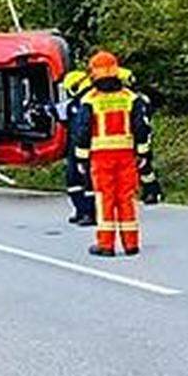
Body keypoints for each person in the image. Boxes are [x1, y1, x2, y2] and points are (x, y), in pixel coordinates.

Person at [74, 51, 151, 257]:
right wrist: (143, 153)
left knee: (105, 199)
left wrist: (81, 157)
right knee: (126, 198)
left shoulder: (90, 100)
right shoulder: (130, 98)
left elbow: (82, 131)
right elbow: (141, 128)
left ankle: (106, 245)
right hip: (126, 154)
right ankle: (131, 244)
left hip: (101, 156)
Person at [120, 67, 163, 205]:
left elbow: (142, 124)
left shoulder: (136, 100)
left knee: (144, 165)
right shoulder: (124, 98)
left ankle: (152, 191)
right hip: (125, 137)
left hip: (140, 136)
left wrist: (143, 148)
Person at [61, 70, 96, 226]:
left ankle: (90, 213)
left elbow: (84, 128)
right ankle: (81, 210)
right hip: (76, 145)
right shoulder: (76, 103)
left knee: (87, 182)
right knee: (74, 180)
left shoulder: (89, 101)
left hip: (89, 147)